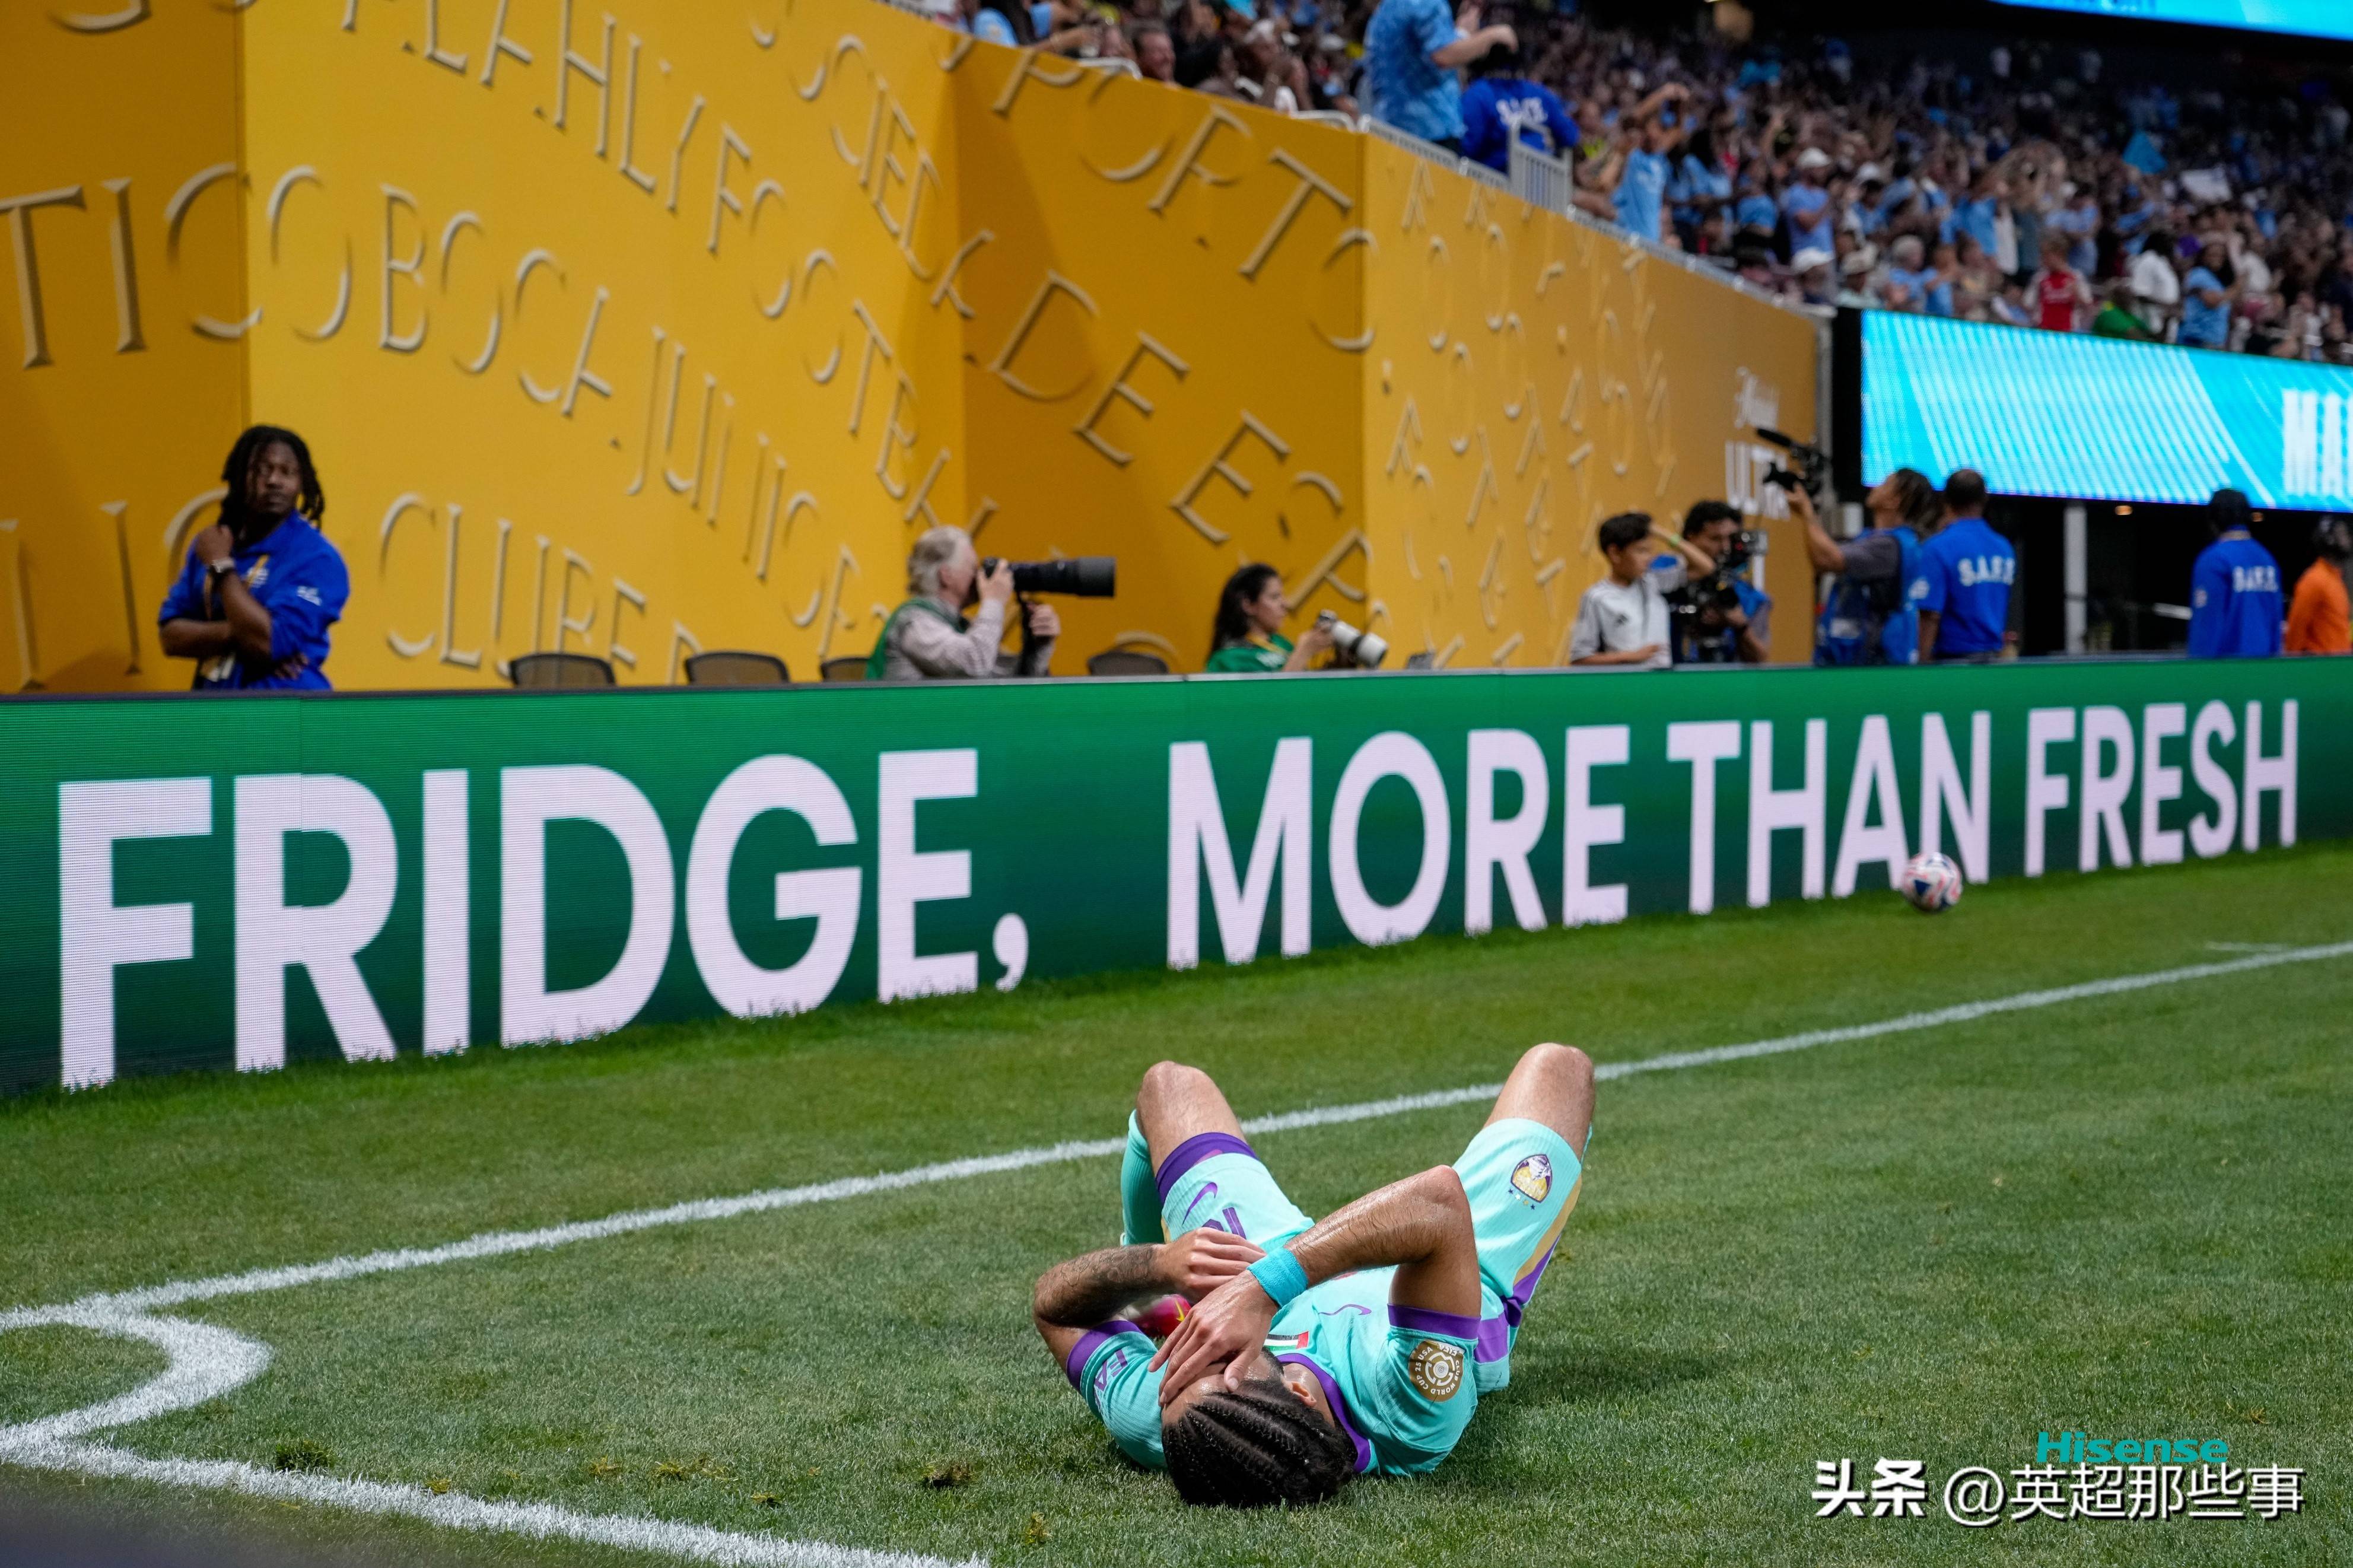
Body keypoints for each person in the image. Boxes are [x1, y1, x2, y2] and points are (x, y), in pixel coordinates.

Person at [1033, 1044, 1592, 1505]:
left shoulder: (1175, 1416)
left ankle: (1155, 1298)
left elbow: (1052, 1306)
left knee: (1169, 1086)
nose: (1190, 1349)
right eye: (1218, 1357)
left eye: (1183, 1361)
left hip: (1263, 1256)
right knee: (1559, 1068)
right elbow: (1439, 1209)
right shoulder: (1408, 1410)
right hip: (1457, 1267)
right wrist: (1263, 1287)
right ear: (1299, 1396)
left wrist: (1157, 1264)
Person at [158, 425, 348, 691]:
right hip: (213, 713)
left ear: (301, 482)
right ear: (239, 476)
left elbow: (268, 644)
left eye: (287, 472)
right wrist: (241, 634)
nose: (274, 481)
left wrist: (222, 569)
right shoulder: (214, 544)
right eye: (261, 470)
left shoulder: (317, 558)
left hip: (285, 713)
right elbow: (171, 637)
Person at [869, 525, 1059, 680]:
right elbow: (974, 665)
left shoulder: (959, 626)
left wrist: (1037, 646)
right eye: (972, 568)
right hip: (906, 726)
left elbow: (1007, 688)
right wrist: (993, 601)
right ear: (946, 575)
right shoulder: (915, 624)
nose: (979, 577)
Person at [1799, 468, 1939, 666]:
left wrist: (1806, 511)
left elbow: (1826, 559)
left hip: (1869, 665)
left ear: (1894, 501)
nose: (1877, 487)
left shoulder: (1890, 546)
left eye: (1885, 484)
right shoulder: (1878, 540)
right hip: (1854, 659)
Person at [1569, 511, 1719, 669]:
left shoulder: (1653, 583)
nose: (1649, 558)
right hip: (1626, 686)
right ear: (1615, 553)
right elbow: (1580, 658)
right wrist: (1629, 657)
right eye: (1641, 551)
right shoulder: (1596, 598)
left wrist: (1662, 534)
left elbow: (1706, 567)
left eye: (1650, 551)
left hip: (1662, 684)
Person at [1363, 0, 1514, 154]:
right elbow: (1444, 56)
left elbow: (1422, 56)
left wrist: (1463, 35)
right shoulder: (1427, 3)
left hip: (1389, 127)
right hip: (1429, 132)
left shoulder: (1386, 8)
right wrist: (1493, 35)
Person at [1909, 470, 2017, 663]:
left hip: (1954, 665)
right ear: (1985, 499)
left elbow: (1929, 615)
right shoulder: (2004, 548)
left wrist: (1921, 668)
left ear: (1945, 500)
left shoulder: (1938, 547)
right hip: (1994, 662)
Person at [1655, 500, 1770, 664]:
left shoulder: (1745, 595)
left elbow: (1760, 660)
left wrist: (1740, 626)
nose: (1725, 548)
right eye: (1715, 539)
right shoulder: (1662, 571)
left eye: (1731, 540)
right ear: (1691, 537)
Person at [1458, 33, 1576, 176]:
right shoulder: (1539, 93)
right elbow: (1570, 136)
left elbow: (1468, 146)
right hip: (1541, 187)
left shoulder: (1479, 94)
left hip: (1494, 184)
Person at [2186, 489, 2282, 659]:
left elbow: (2207, 630)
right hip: (2266, 674)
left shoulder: (2214, 560)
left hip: (2226, 677)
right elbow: (2276, 627)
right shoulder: (2267, 560)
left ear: (2212, 519)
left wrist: (2198, 677)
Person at [1204, 564, 1334, 672]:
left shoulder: (1282, 644)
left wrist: (1340, 665)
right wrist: (1303, 653)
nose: (1285, 604)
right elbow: (1270, 701)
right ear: (1248, 605)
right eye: (1275, 597)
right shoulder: (1227, 659)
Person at [2286, 517, 2351, 654]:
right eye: (2342, 534)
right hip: (2322, 667)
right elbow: (2296, 628)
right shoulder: (2314, 580)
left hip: (2340, 665)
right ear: (2330, 540)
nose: (2348, 539)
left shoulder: (2336, 578)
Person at [2177, 241, 2234, 350]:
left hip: (2214, 340)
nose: (2217, 259)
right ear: (2204, 256)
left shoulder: (2216, 280)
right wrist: (2238, 287)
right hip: (2197, 339)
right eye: (2213, 255)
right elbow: (2212, 301)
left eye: (2221, 256)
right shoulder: (2199, 274)